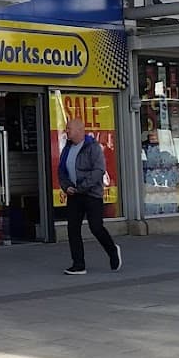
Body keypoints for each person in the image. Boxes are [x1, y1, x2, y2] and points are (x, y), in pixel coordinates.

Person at [58, 118, 121, 275]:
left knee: (96, 227)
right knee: (73, 229)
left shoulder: (92, 147)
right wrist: (67, 187)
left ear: (79, 130)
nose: (67, 131)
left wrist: (82, 187)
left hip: (91, 194)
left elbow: (98, 170)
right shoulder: (67, 148)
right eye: (66, 129)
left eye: (69, 129)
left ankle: (112, 251)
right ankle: (78, 264)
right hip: (74, 195)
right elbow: (61, 171)